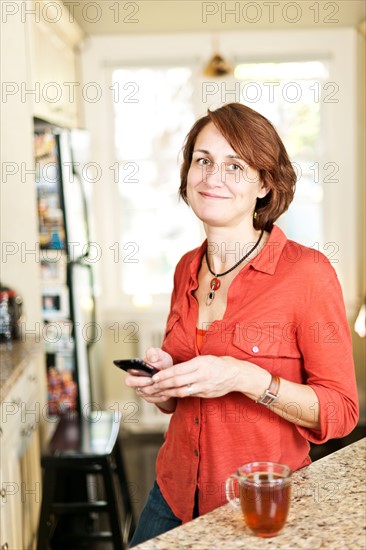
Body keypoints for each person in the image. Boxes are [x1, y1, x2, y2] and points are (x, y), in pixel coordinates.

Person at [125, 102, 359, 546]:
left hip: (259, 505)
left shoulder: (306, 273)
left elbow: (341, 412)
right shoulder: (185, 267)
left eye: (235, 165)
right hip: (172, 494)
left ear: (265, 184)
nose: (212, 178)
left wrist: (247, 378)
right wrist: (163, 384)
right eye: (203, 160)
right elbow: (183, 404)